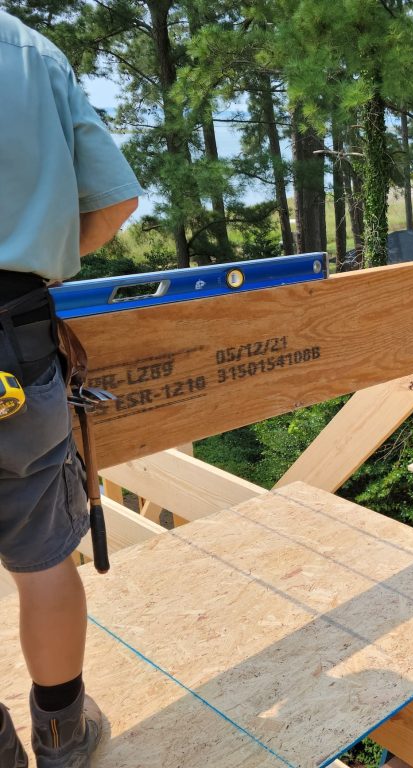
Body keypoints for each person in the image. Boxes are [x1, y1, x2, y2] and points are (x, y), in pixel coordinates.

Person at [0, 10, 142, 767]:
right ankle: (63, 736)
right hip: (14, 342)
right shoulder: (29, 50)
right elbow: (116, 201)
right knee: (41, 559)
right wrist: (46, 258)